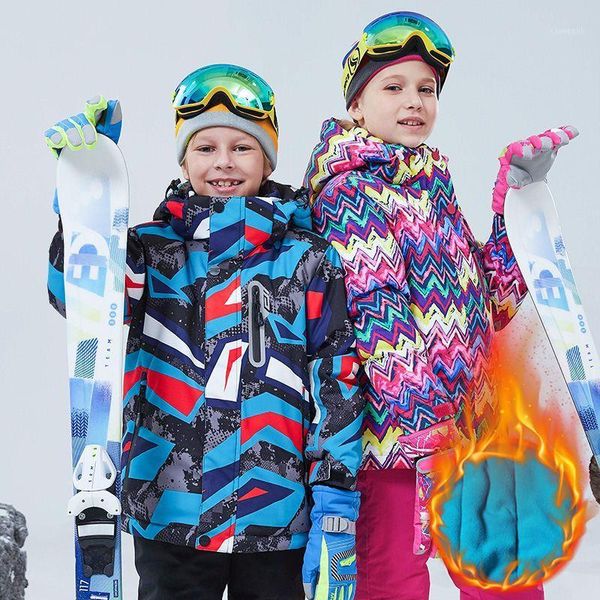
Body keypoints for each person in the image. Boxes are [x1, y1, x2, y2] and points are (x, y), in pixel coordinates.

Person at [46, 64, 365, 600]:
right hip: (170, 507)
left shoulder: (307, 261)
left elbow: (337, 382)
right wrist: (86, 200)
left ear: (268, 159)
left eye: (242, 147)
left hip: (276, 515)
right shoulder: (150, 251)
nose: (222, 162)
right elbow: (76, 297)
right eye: (205, 147)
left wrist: (335, 501)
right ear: (183, 158)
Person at [303, 11, 576, 600]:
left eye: (426, 89)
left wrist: (517, 213)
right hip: (392, 448)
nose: (414, 101)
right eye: (393, 87)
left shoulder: (433, 183)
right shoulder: (344, 192)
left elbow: (489, 300)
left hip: (470, 433)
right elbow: (379, 320)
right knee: (392, 584)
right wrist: (423, 425)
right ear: (356, 105)